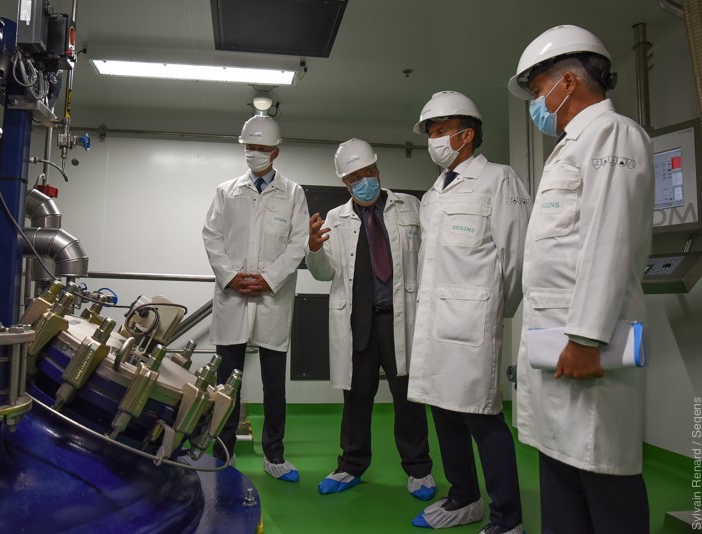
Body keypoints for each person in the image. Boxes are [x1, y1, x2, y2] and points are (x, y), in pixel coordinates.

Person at [508, 25, 653, 532]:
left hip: (585, 344)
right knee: (562, 470)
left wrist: (587, 337)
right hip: (557, 344)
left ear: (568, 81)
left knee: (602, 474)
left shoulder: (613, 134)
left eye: (536, 88)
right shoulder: (573, 144)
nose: (536, 102)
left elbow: (609, 239)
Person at [408, 91, 530, 534]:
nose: (434, 140)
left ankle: (507, 519)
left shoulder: (500, 180)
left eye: (441, 131)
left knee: (483, 418)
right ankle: (464, 497)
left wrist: (497, 310)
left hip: (473, 325)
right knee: (442, 410)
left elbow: (516, 259)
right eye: (430, 133)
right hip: (435, 325)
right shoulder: (432, 195)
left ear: (468, 134)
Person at [305, 138, 436, 500]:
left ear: (378, 170)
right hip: (359, 321)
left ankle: (419, 469)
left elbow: (428, 256)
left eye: (368, 172)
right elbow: (324, 272)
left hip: (400, 318)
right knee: (356, 397)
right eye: (355, 177)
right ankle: (350, 465)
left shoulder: (409, 207)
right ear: (344, 183)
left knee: (408, 398)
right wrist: (314, 248)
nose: (364, 181)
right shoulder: (336, 218)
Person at [203, 115, 309, 482]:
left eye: (262, 148)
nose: (254, 154)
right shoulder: (225, 191)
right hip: (233, 296)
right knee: (227, 381)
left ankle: (275, 456)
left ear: (275, 152)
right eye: (250, 147)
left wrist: (269, 278)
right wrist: (232, 277)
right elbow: (210, 235)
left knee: (274, 383)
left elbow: (298, 244)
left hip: (272, 298)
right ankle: (223, 451)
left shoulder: (294, 193)